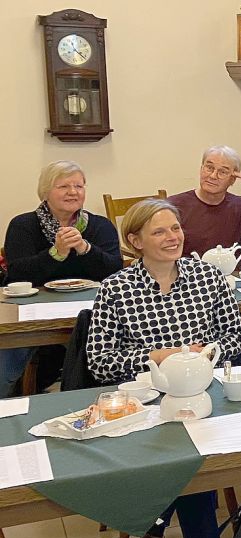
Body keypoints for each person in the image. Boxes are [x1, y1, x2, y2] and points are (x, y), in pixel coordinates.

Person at [86, 199, 241, 538]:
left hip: (202, 392)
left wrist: (208, 353)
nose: (173, 237)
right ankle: (179, 532)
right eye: (159, 231)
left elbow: (236, 337)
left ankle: (154, 521)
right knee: (187, 466)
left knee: (188, 457)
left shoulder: (208, 276)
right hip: (145, 404)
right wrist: (152, 357)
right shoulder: (115, 288)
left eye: (176, 228)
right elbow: (99, 362)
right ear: (135, 240)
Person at [0, 161, 122, 398]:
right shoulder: (23, 225)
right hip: (30, 314)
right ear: (45, 192)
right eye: (64, 186)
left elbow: (115, 271)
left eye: (79, 185)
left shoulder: (99, 226)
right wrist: (56, 254)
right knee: (6, 361)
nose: (73, 192)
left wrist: (86, 248)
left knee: (103, 353)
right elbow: (16, 273)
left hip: (86, 311)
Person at [168, 145, 241, 365]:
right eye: (208, 167)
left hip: (231, 291)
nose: (213, 176)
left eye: (223, 171)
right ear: (201, 169)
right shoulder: (175, 205)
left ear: (232, 179)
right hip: (188, 292)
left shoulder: (240, 205)